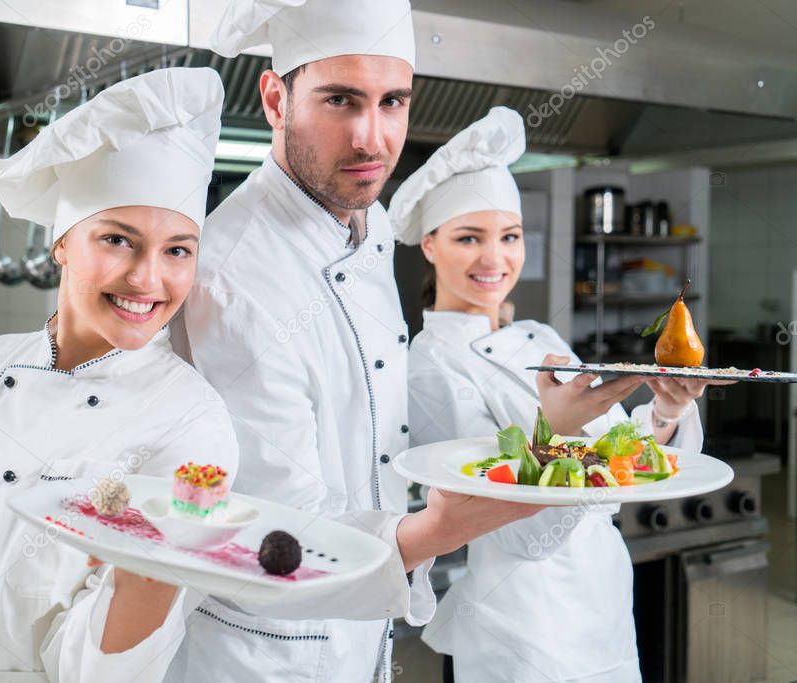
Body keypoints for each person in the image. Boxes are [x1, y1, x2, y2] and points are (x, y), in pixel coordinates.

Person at [170, 4, 541, 681]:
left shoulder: (364, 231)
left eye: (393, 101)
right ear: (276, 98)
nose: (372, 138)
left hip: (360, 635)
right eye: (340, 100)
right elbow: (282, 531)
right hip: (264, 651)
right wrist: (448, 522)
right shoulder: (234, 275)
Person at [0, 67, 236, 682]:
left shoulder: (192, 422)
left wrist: (155, 570)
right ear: (61, 243)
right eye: (118, 239)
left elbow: (108, 670)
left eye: (178, 250)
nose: (148, 278)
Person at [390, 106, 727, 682]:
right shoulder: (426, 366)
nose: (494, 259)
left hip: (601, 602)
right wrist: (561, 433)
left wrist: (666, 411)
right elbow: (505, 525)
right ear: (429, 245)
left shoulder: (539, 337)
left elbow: (619, 462)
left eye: (510, 237)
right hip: (519, 624)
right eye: (469, 238)